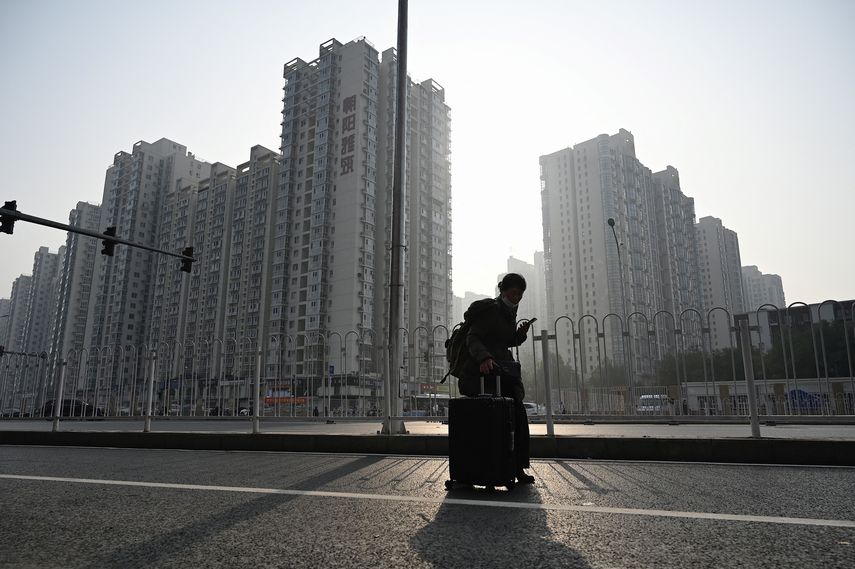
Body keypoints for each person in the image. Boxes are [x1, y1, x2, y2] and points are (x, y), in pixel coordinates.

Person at [457, 273, 536, 484]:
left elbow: (503, 341)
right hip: (481, 374)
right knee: (493, 421)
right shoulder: (492, 310)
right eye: (513, 293)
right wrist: (484, 358)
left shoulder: (509, 313)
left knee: (517, 417)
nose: (516, 298)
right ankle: (485, 468)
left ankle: (517, 468)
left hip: (502, 373)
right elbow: (473, 337)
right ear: (503, 291)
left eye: (520, 295)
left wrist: (519, 335)